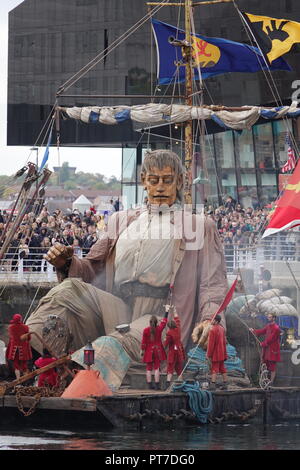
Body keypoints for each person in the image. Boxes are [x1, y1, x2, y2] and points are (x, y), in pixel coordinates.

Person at [32, 149, 227, 357]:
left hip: (162, 314)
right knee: (67, 291)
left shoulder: (199, 226)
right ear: (144, 181)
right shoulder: (120, 220)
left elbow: (211, 284)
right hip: (118, 306)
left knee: (113, 347)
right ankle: (24, 351)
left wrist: (210, 319)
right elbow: (93, 269)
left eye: (167, 180)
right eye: (154, 180)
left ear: (179, 182)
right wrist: (66, 263)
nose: (160, 186)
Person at [140, 305, 169, 390]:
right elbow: (164, 322)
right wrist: (166, 311)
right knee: (156, 368)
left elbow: (143, 342)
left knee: (148, 368)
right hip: (158, 350)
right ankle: (157, 386)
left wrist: (142, 351)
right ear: (156, 322)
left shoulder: (145, 330)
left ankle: (149, 385)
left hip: (149, 351)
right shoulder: (159, 329)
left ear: (150, 322)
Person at [250, 313, 281, 385]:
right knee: (266, 364)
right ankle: (266, 380)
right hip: (267, 349)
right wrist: (253, 331)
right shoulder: (268, 326)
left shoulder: (276, 328)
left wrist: (263, 344)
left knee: (272, 367)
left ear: (274, 318)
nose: (268, 318)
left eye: (270, 317)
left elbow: (271, 339)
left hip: (273, 350)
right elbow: (262, 331)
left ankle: (271, 382)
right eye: (268, 317)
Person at [164, 307, 185, 389]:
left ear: (169, 326)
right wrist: (175, 310)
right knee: (179, 369)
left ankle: (167, 383)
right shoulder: (178, 328)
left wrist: (164, 341)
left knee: (170, 368)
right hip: (179, 351)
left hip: (172, 352)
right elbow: (177, 319)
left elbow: (166, 344)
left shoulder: (169, 333)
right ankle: (182, 384)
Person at [6, 314, 32, 379]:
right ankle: (26, 381)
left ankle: (18, 380)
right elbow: (29, 338)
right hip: (23, 349)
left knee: (16, 365)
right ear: (21, 319)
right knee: (24, 366)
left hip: (14, 350)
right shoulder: (25, 327)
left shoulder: (10, 327)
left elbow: (10, 337)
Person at [206, 314, 228, 390]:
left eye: (212, 319)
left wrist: (208, 354)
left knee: (214, 368)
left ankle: (213, 385)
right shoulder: (222, 329)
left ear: (216, 321)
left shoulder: (212, 330)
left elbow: (211, 344)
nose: (211, 320)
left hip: (216, 353)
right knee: (222, 368)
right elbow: (224, 342)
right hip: (222, 352)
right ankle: (225, 384)